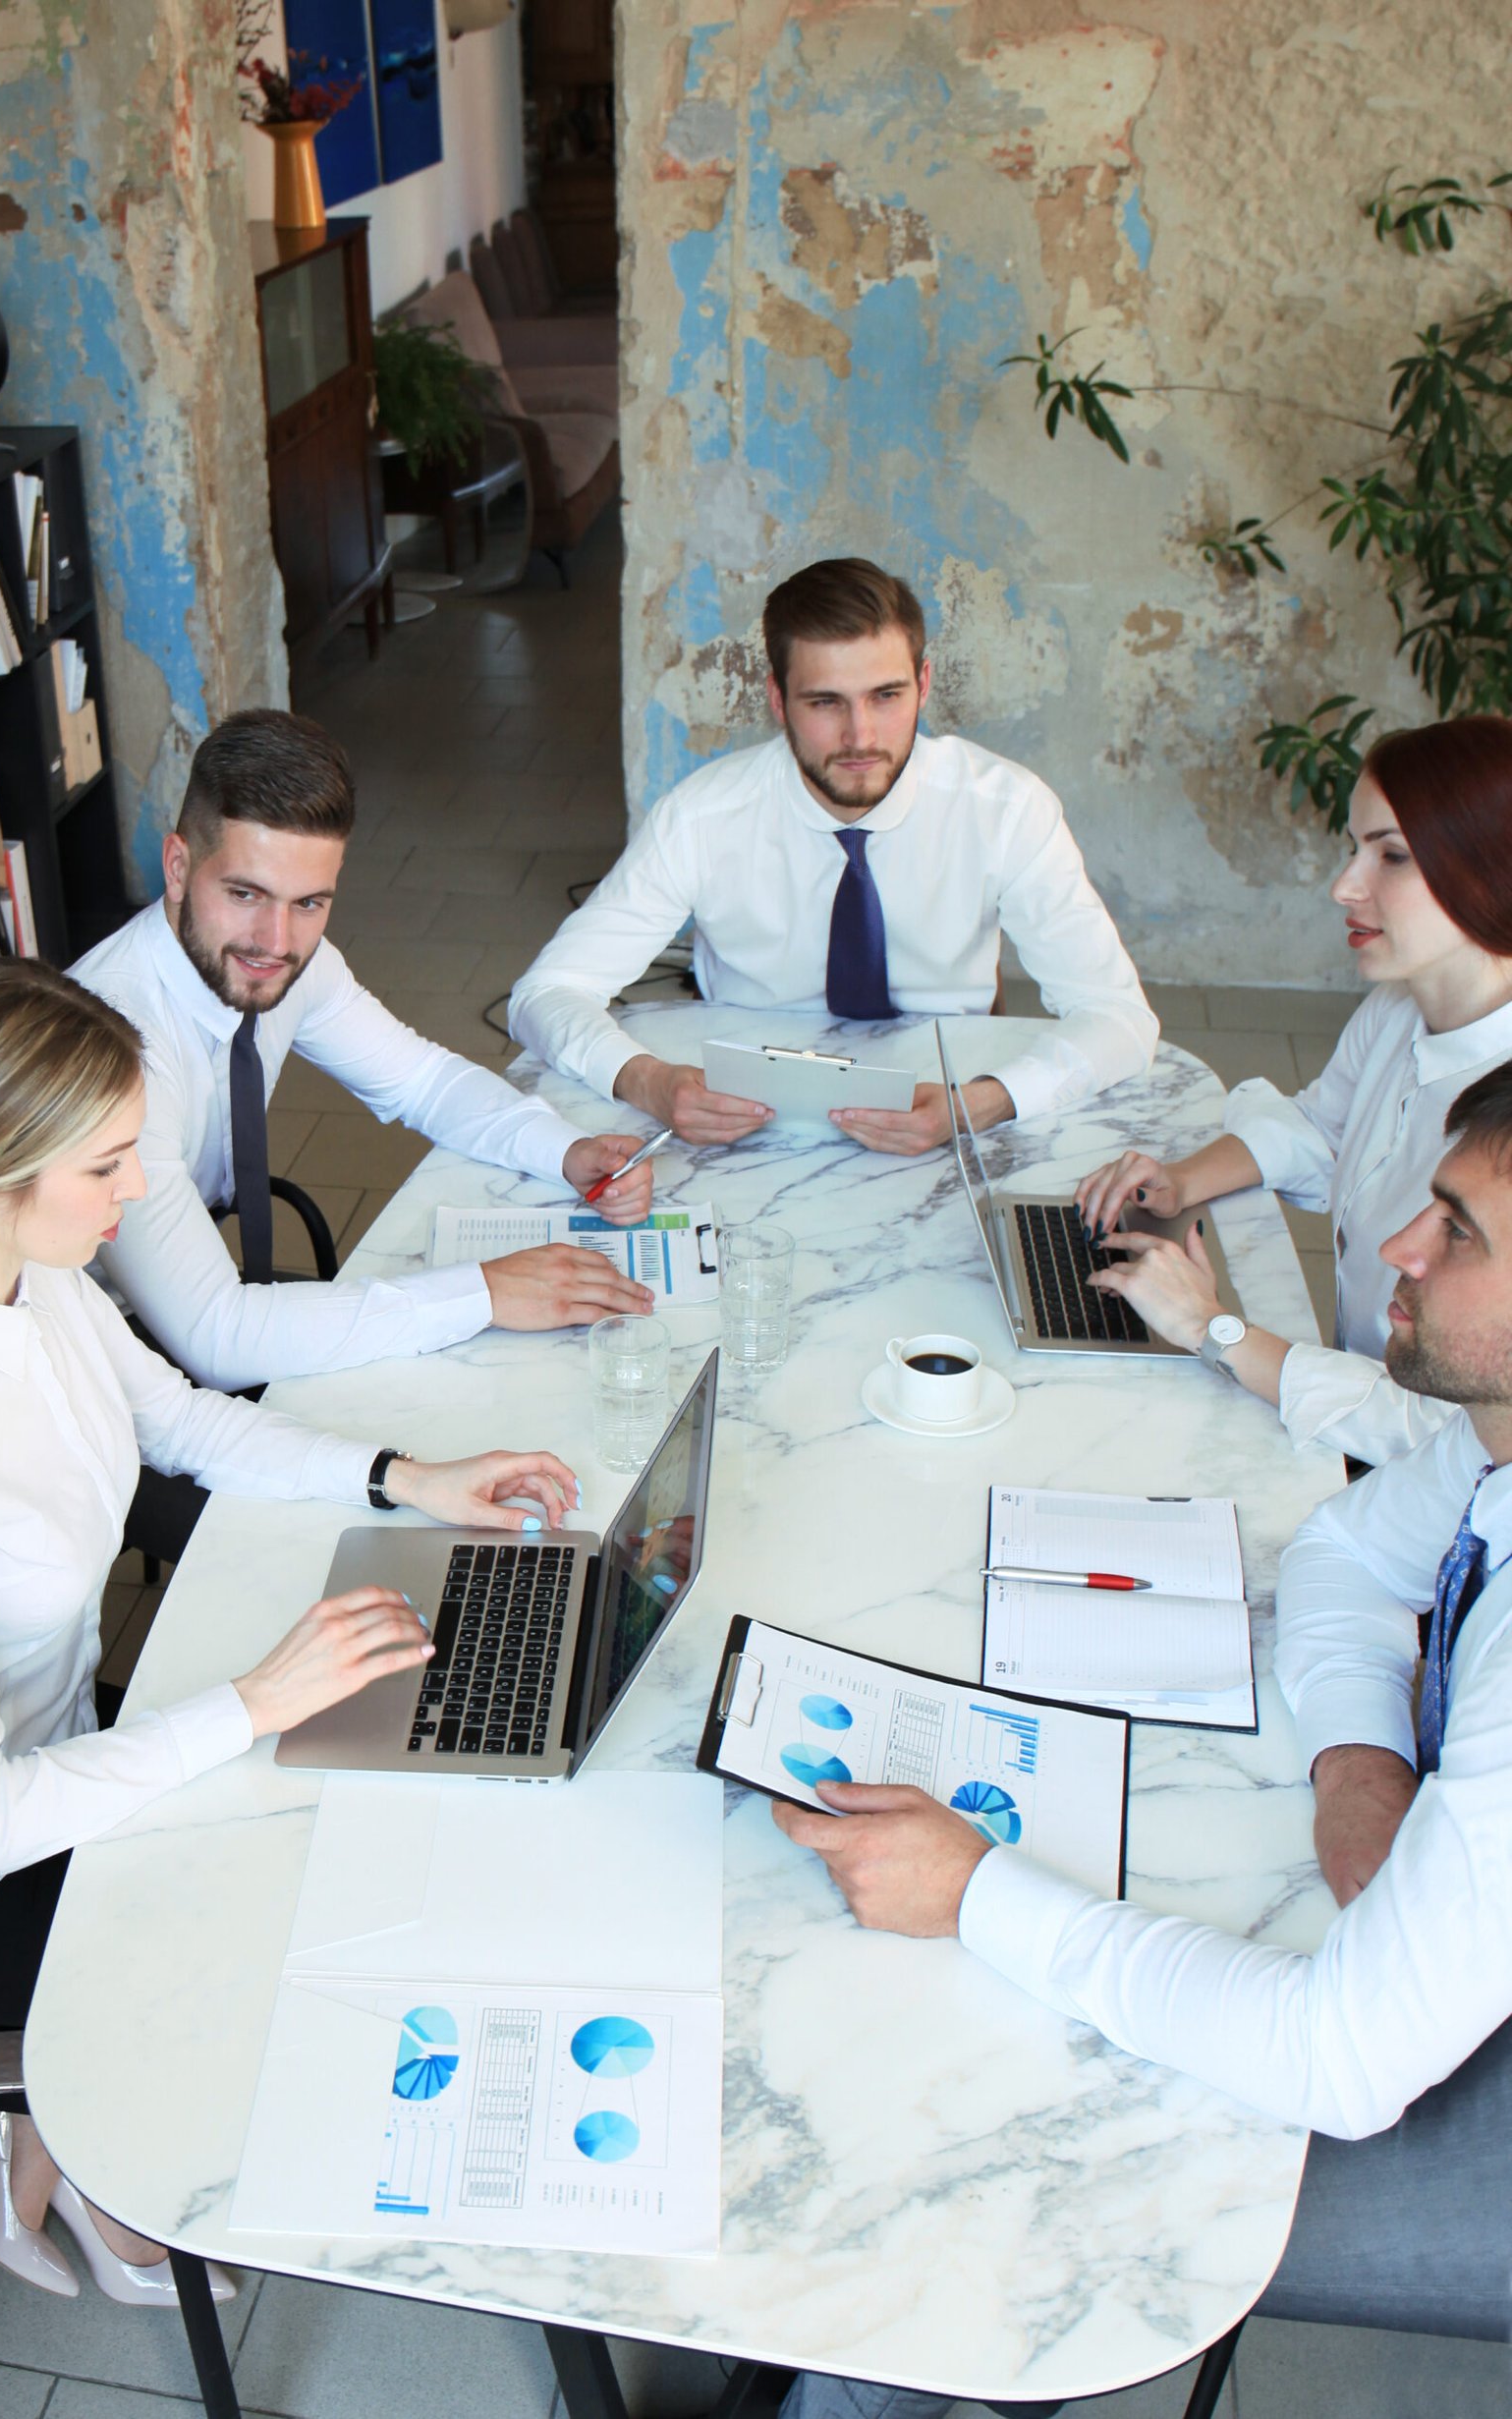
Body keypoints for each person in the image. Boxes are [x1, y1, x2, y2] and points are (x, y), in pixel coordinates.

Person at [773, 1060, 1512, 2416]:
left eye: (1458, 1232)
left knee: (995, 2160)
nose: (1401, 1247)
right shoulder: (1495, 1442)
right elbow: (1348, 1551)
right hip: (1450, 1941)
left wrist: (976, 1889)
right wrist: (1359, 1757)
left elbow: (1340, 2060)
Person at [0, 958, 581, 2305]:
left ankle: (40, 2120)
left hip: (57, 1732)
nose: (137, 1199)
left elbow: (178, 1417)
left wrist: (408, 1475)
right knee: (278, 1860)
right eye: (111, 1166)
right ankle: (52, 2129)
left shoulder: (24, 1266)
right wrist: (249, 1699)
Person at [71, 708, 657, 1397]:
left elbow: (422, 1081)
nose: (276, 940)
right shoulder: (113, 1046)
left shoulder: (287, 956)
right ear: (178, 867)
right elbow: (214, 1337)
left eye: (311, 902)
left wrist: (564, 1151)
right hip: (93, 1345)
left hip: (200, 1285)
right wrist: (486, 1294)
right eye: (244, 893)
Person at [508, 559, 1157, 1154]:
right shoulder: (702, 816)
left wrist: (977, 1106)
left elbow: (1121, 1018)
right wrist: (648, 1083)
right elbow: (546, 994)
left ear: (924, 685)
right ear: (777, 699)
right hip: (745, 1113)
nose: (860, 737)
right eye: (825, 703)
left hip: (946, 1097)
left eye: (886, 696)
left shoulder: (1007, 808)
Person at [1077, 716, 1512, 1465]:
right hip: (1343, 1398)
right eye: (1355, 847)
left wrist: (1213, 1329)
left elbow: (1452, 1432)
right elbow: (1323, 1130)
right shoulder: (1397, 1008)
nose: (1346, 885)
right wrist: (1179, 1182)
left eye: (1394, 856)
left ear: (1491, 868)